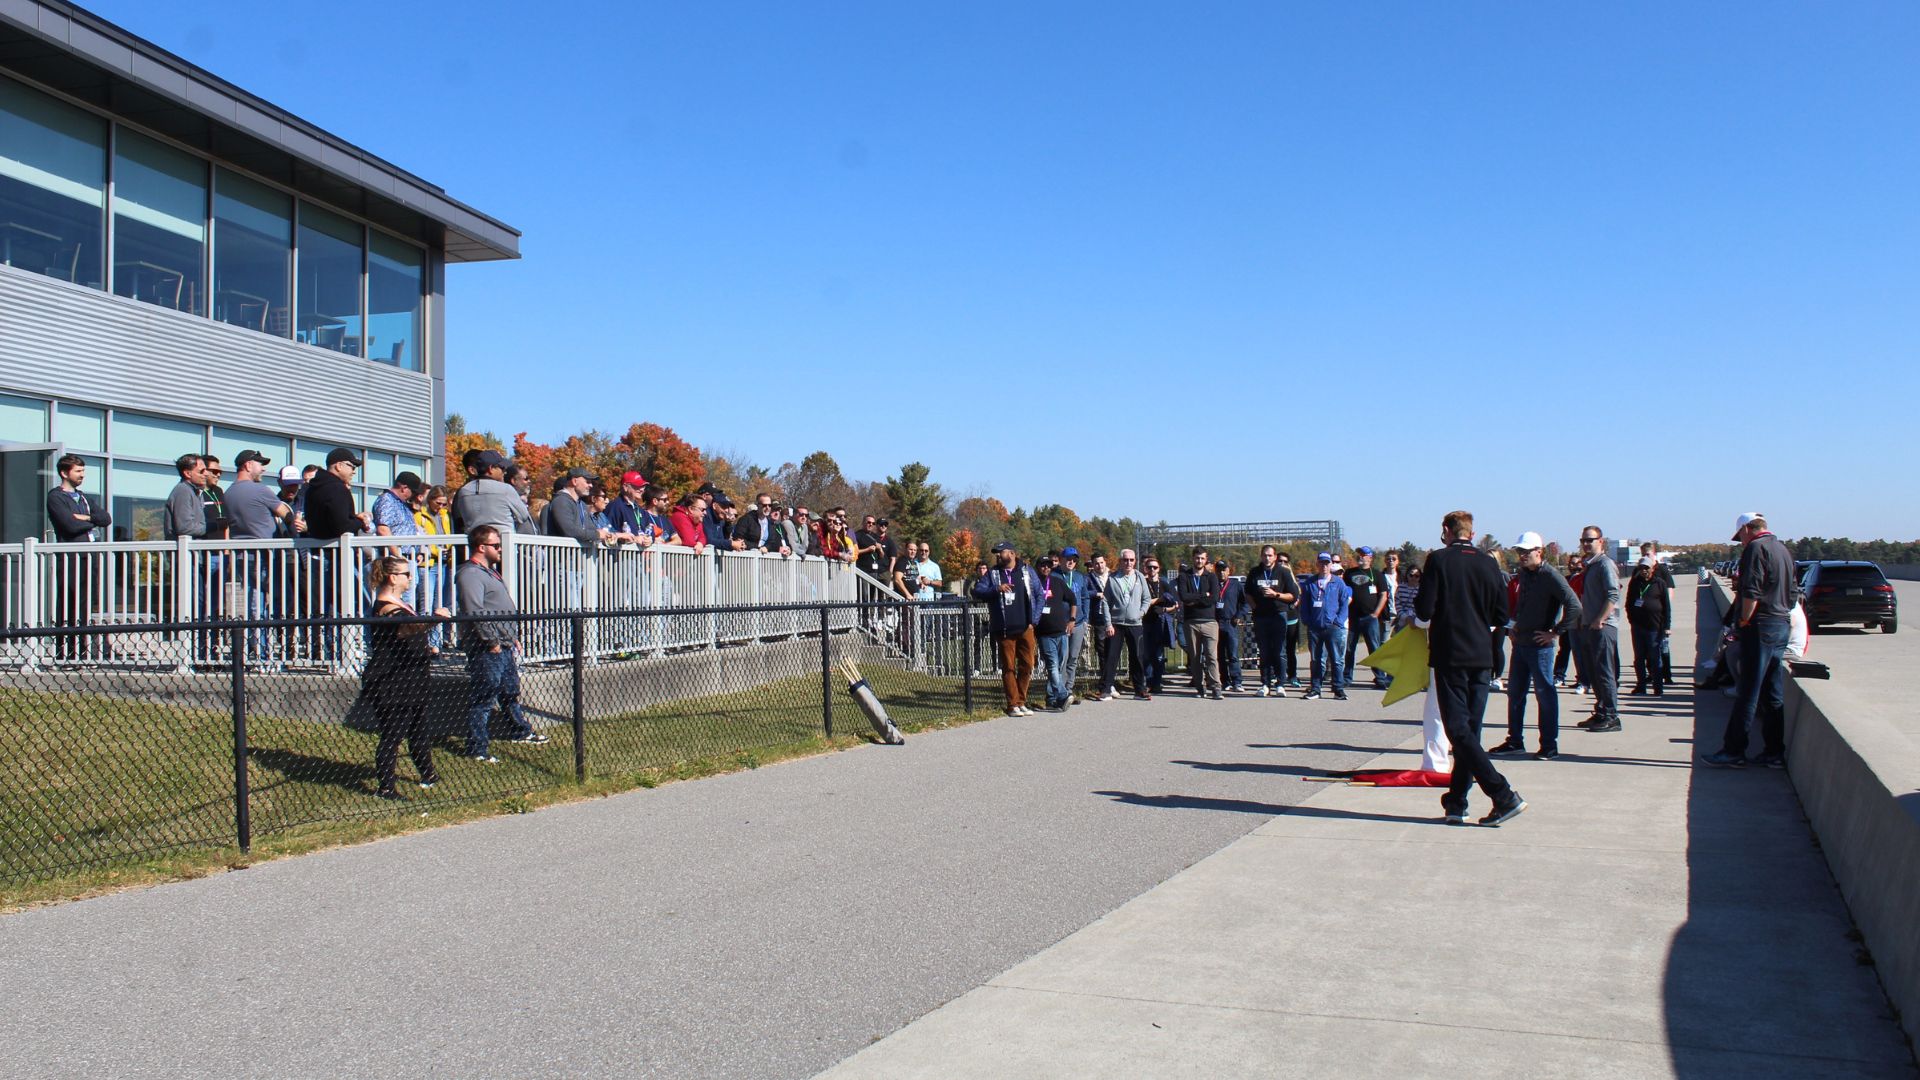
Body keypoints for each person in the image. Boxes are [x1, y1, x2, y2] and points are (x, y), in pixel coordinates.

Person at [1416, 510, 1526, 827]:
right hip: (1482, 655)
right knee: (1470, 732)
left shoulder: (1438, 560)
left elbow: (1425, 609)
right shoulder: (1488, 563)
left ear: (1446, 531)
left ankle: (1502, 793)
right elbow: (1500, 614)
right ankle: (1457, 801)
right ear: (1472, 533)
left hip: (1451, 654)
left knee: (1458, 730)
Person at [1703, 513, 1796, 769]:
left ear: (1746, 529)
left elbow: (1751, 590)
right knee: (1772, 691)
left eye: (1739, 537)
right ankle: (1774, 751)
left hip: (1761, 625)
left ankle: (1734, 750)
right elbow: (1793, 594)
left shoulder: (1756, 548)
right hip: (1780, 623)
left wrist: (1743, 620)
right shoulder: (1782, 549)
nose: (1740, 542)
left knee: (1748, 691)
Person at [457, 525, 548, 761]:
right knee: (485, 698)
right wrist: (492, 641)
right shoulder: (470, 574)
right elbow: (475, 610)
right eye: (496, 545)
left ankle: (520, 731)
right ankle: (477, 748)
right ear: (481, 547)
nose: (500, 549)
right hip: (487, 647)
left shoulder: (490, 572)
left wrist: (511, 638)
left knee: (509, 692)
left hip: (504, 644)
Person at [1490, 532, 1582, 760]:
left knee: (1545, 694)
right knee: (1515, 694)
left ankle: (1549, 745)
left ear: (1538, 552)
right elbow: (1518, 605)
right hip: (1521, 644)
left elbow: (1574, 606)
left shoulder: (1551, 576)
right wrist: (1512, 627)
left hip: (1540, 647)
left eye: (1526, 552)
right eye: (1519, 552)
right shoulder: (1524, 575)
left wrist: (1555, 632)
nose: (1522, 556)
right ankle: (1515, 741)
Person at [363, 555, 448, 799]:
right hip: (393, 682)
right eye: (406, 574)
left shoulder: (399, 603)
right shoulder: (385, 606)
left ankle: (428, 773)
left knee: (419, 729)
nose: (410, 578)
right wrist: (435, 619)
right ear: (393, 577)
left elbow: (406, 638)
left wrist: (426, 649)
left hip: (412, 678)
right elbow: (404, 629)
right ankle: (386, 787)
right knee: (393, 734)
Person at [45, 454, 112, 659]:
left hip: (87, 556)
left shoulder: (83, 497)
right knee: (68, 602)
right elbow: (69, 525)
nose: (82, 475)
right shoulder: (56, 497)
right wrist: (91, 521)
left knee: (84, 604)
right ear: (65, 473)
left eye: (83, 471)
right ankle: (65, 652)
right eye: (78, 471)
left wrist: (87, 518)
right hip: (70, 557)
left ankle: (82, 652)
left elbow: (106, 518)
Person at [971, 541, 1044, 716]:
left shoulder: (1026, 571)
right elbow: (978, 591)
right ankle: (1013, 704)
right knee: (1009, 667)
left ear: (1011, 553)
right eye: (996, 553)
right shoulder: (993, 573)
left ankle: (1021, 700)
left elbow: (1039, 594)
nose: (997, 555)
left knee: (1027, 665)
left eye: (1000, 552)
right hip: (1003, 629)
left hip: (1026, 627)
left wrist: (1034, 620)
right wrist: (996, 589)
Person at [1574, 526, 1623, 733]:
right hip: (1589, 626)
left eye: (1590, 540)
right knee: (1594, 673)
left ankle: (1611, 716)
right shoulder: (1590, 565)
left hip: (1603, 627)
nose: (1586, 544)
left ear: (1600, 541)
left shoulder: (1605, 564)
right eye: (1584, 540)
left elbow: (1613, 594)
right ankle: (1601, 711)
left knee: (1604, 672)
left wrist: (1600, 619)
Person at [1097, 549, 1152, 701]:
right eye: (1125, 560)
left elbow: (1147, 599)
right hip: (1116, 624)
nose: (1128, 563)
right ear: (1120, 561)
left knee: (1137, 657)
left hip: (1135, 624)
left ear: (1135, 561)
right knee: (1111, 657)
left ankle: (1140, 690)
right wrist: (1108, 624)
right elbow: (1106, 602)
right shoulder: (1113, 578)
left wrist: (1140, 613)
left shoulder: (1140, 577)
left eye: (1131, 560)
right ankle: (1106, 689)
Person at [1299, 552, 1352, 700]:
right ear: (1317, 564)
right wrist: (1308, 621)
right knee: (1316, 660)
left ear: (1331, 565)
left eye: (1327, 563)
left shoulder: (1338, 583)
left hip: (1333, 627)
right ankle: (1316, 688)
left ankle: (1338, 689)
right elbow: (1304, 606)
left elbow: (1344, 604)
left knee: (1336, 659)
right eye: (1321, 563)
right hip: (1315, 627)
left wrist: (1338, 622)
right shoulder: (1309, 583)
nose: (1324, 566)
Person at [1246, 546, 1296, 697]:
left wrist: (1276, 594)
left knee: (1279, 651)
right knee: (1264, 651)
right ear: (1261, 556)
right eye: (1264, 555)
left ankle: (1280, 684)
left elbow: (1293, 595)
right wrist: (1255, 607)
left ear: (1275, 557)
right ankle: (1265, 683)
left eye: (1270, 555)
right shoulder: (1255, 572)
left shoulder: (1284, 572)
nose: (1267, 558)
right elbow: (1247, 593)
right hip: (1261, 616)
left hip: (1278, 614)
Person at [1174, 548, 1223, 699]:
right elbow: (1184, 596)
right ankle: (1200, 687)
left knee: (1211, 655)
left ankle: (1216, 686)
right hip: (1191, 622)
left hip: (1209, 621)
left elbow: (1213, 598)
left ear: (1206, 559)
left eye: (1202, 558)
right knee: (1195, 657)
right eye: (1197, 558)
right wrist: (1203, 596)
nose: (1199, 561)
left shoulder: (1211, 577)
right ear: (1192, 558)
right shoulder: (1184, 576)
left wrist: (1195, 599)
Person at [451, 450, 534, 536]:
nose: (504, 471)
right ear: (491, 469)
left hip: (475, 544)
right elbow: (523, 516)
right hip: (503, 544)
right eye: (502, 467)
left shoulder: (464, 491)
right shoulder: (505, 489)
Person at [1033, 555, 1078, 711]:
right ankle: (1063, 695)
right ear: (1037, 567)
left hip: (1061, 631)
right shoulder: (1033, 584)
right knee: (1052, 665)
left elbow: (1073, 599)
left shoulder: (1057, 582)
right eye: (1042, 565)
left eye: (1048, 565)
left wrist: (1072, 619)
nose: (1046, 568)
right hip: (1044, 633)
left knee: (1058, 667)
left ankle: (1052, 699)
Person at [1343, 546, 1391, 690]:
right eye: (1359, 554)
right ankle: (1347, 677)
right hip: (1353, 617)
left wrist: (1376, 613)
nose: (1361, 557)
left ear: (1370, 558)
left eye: (1364, 555)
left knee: (1374, 649)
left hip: (1370, 618)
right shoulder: (1349, 573)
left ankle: (1380, 677)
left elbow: (1383, 595)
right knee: (1350, 649)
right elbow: (1344, 592)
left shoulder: (1377, 574)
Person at [414, 485, 455, 654]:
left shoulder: (445, 517)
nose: (441, 507)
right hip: (429, 563)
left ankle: (436, 642)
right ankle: (426, 643)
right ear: (430, 500)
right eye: (438, 503)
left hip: (444, 563)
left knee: (441, 604)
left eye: (444, 504)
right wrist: (435, 550)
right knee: (427, 604)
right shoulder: (419, 517)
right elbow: (422, 539)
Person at [1054, 547, 1098, 704]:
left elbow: (1085, 597)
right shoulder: (1054, 576)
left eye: (1074, 559)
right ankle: (1060, 691)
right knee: (1062, 659)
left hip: (1078, 623)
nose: (1071, 561)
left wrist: (1085, 617)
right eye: (1068, 558)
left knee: (1073, 658)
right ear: (1061, 559)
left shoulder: (1079, 577)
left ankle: (1069, 689)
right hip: (1060, 624)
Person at [1625, 555, 1672, 695]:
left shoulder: (1659, 583)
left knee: (1655, 658)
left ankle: (1658, 687)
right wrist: (1631, 618)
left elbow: (1667, 606)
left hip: (1655, 627)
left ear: (1652, 568)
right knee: (1639, 658)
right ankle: (1641, 685)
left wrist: (1667, 626)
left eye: (1646, 568)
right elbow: (1628, 602)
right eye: (1641, 568)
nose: (1644, 570)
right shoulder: (1635, 583)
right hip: (1638, 626)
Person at [1141, 555, 1180, 695]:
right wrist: (1158, 600)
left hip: (1159, 622)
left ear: (1159, 569)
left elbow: (1175, 604)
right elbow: (1141, 602)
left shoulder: (1164, 584)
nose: (1152, 569)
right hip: (1145, 622)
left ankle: (1157, 682)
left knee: (1158, 655)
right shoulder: (1142, 582)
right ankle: (1147, 682)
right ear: (1145, 568)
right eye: (1149, 567)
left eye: (1155, 567)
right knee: (1146, 654)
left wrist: (1165, 609)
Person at [1214, 558, 1248, 692]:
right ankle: (1224, 681)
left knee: (1233, 654)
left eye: (1224, 570)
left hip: (1230, 623)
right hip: (1216, 623)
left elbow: (1245, 603)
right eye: (1219, 570)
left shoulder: (1236, 585)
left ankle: (1237, 681)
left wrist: (1239, 615)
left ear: (1228, 571)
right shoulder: (1213, 584)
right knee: (1219, 655)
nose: (1221, 573)